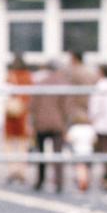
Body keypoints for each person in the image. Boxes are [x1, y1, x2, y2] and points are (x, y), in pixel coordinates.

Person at [31, 59, 70, 193]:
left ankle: (40, 180)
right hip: (57, 123)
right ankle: (58, 182)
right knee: (58, 153)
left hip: (41, 122)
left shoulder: (40, 83)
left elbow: (33, 105)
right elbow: (66, 107)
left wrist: (34, 120)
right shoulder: (63, 85)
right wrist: (66, 124)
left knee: (41, 153)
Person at [3, 55, 33, 185]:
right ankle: (22, 170)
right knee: (23, 144)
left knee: (9, 143)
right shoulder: (28, 77)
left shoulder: (10, 76)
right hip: (24, 112)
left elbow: (5, 94)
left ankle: (12, 169)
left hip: (11, 113)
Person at [66, 113, 98, 193]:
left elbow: (68, 138)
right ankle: (85, 181)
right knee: (86, 168)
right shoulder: (90, 128)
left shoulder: (74, 128)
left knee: (80, 168)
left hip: (77, 150)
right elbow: (94, 140)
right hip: (88, 150)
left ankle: (82, 183)